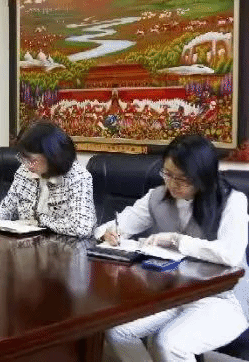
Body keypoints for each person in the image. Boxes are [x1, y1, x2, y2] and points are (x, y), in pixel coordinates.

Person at [96, 134, 248, 361]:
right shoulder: (157, 197)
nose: (172, 184)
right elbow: (119, 225)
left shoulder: (232, 201)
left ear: (203, 176)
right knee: (117, 331)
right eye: (167, 174)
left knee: (168, 343)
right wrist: (108, 233)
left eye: (183, 179)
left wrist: (177, 240)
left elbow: (230, 254)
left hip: (223, 298)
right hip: (172, 294)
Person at [0, 120, 95, 237]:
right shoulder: (24, 171)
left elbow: (82, 227)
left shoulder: (78, 177)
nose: (27, 166)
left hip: (64, 246)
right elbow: (7, 208)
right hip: (27, 244)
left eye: (32, 160)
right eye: (24, 159)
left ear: (52, 156)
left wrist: (40, 220)